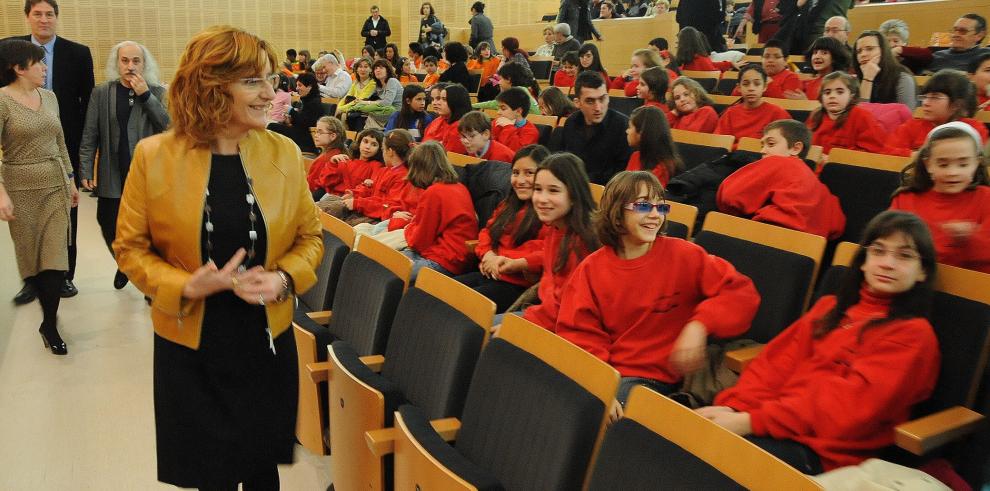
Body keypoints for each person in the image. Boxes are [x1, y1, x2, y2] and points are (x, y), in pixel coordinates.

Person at [113, 26, 323, 489]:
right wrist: (183, 285)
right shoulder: (154, 157)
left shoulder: (284, 153)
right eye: (253, 81)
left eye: (271, 79)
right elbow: (129, 248)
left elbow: (311, 237)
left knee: (261, 468)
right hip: (191, 344)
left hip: (265, 340)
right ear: (211, 87)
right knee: (210, 473)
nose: (271, 93)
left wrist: (284, 279)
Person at [702, 209, 939, 473]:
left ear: (923, 273)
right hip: (771, 424)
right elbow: (774, 367)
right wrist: (734, 408)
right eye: (878, 251)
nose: (887, 263)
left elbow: (844, 412)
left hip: (824, 455)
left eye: (904, 256)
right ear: (863, 261)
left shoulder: (913, 334)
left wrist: (749, 422)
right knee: (677, 435)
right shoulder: (828, 308)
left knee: (704, 460)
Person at [557, 170, 759, 405]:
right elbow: (579, 334)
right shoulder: (591, 269)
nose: (655, 215)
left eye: (661, 207)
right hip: (611, 373)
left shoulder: (686, 255)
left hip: (659, 379)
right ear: (617, 213)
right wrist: (599, 382)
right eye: (643, 206)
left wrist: (700, 325)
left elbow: (741, 293)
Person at [5, 0, 94, 302]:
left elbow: (87, 107)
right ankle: (31, 280)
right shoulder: (8, 50)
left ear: (56, 18)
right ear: (27, 18)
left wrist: (83, 155)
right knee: (25, 224)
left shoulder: (78, 53)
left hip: (61, 145)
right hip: (19, 150)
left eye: (49, 14)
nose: (44, 19)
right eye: (37, 14)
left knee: (66, 216)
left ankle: (63, 276)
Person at [0, 38, 79, 354]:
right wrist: (1, 193)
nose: (45, 67)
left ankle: (49, 322)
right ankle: (42, 303)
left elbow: (60, 143)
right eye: (38, 63)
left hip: (55, 186)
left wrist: (71, 179)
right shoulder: (3, 101)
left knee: (54, 260)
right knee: (32, 259)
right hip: (20, 187)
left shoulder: (50, 97)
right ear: (18, 68)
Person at [79, 41, 168, 291]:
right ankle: (125, 263)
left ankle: (149, 281)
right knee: (107, 222)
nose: (130, 66)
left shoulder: (158, 93)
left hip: (148, 178)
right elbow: (90, 132)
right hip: (113, 173)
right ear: (116, 63)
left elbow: (169, 127)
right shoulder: (102, 93)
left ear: (144, 64)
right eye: (125, 61)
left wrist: (146, 96)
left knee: (150, 231)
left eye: (136, 61)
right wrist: (85, 167)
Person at [456, 145, 551, 312]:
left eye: (529, 173)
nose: (520, 180)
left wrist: (500, 259)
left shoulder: (548, 211)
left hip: (517, 286)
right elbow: (487, 232)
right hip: (490, 273)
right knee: (436, 292)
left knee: (458, 307)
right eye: (515, 173)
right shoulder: (508, 204)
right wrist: (488, 254)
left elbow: (546, 253)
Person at [719, 119, 846, 239]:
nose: (763, 150)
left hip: (765, 237)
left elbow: (729, 196)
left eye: (771, 144)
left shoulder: (778, 163)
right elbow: (837, 226)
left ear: (796, 148)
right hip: (807, 251)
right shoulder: (820, 186)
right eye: (762, 145)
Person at [890, 122, 990, 273]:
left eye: (963, 165)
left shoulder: (986, 198)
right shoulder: (905, 199)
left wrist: (968, 238)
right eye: (943, 165)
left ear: (976, 163)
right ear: (928, 164)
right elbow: (891, 245)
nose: (953, 172)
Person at [521, 153, 600, 329]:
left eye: (553, 190)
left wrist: (522, 324)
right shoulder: (555, 227)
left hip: (565, 329)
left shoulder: (582, 241)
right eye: (538, 189)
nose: (541, 199)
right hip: (544, 314)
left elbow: (567, 309)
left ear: (573, 195)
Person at [400, 141, 478, 281]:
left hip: (444, 261)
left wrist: (409, 228)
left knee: (389, 271)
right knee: (388, 260)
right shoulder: (459, 186)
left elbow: (419, 241)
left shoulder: (434, 192)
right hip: (455, 258)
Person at [552, 71, 632, 184]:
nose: (598, 108)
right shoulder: (571, 122)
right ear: (577, 103)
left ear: (608, 98)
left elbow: (621, 174)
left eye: (602, 99)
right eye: (590, 101)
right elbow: (564, 162)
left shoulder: (622, 126)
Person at [888, 70, 988, 154]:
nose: (925, 103)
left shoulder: (974, 129)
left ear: (956, 105)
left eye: (935, 97)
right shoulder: (911, 126)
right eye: (925, 97)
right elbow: (887, 152)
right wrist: (914, 155)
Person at [331, 129, 417, 226]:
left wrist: (358, 203)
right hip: (367, 209)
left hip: (377, 217)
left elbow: (388, 206)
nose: (383, 153)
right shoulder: (384, 170)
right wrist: (354, 194)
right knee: (327, 206)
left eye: (383, 150)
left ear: (390, 152)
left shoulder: (402, 177)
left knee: (338, 223)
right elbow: (370, 188)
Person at [807, 71, 890, 155]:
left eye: (840, 92)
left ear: (851, 96)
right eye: (827, 92)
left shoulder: (863, 116)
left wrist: (834, 158)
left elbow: (872, 152)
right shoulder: (816, 115)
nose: (832, 96)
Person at [316, 127, 385, 216]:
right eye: (365, 141)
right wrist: (332, 163)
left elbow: (370, 188)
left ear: (379, 149)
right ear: (359, 143)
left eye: (374, 144)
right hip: (331, 197)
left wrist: (353, 194)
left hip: (349, 203)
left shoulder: (377, 166)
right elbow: (326, 182)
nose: (368, 147)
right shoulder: (347, 161)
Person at [716, 64, 790, 140]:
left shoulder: (778, 113)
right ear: (739, 88)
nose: (751, 88)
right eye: (746, 84)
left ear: (765, 87)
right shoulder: (730, 113)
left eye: (757, 84)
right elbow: (719, 144)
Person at [854, 30, 918, 109]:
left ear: (883, 51)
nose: (863, 54)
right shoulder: (856, 80)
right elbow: (858, 116)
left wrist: (867, 78)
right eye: (859, 51)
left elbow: (906, 117)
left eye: (870, 49)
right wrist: (867, 79)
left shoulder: (902, 78)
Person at [625, 106, 682, 186]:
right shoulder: (636, 156)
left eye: (630, 127)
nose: (627, 131)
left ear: (641, 132)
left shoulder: (663, 167)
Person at [306, 116, 349, 200]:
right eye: (315, 131)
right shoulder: (337, 153)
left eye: (320, 132)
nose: (316, 135)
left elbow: (311, 186)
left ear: (333, 136)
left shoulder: (326, 158)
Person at [422, 83, 470, 153]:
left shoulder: (460, 128)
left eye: (444, 99)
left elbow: (447, 158)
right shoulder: (437, 120)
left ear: (456, 101)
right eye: (433, 99)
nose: (437, 103)